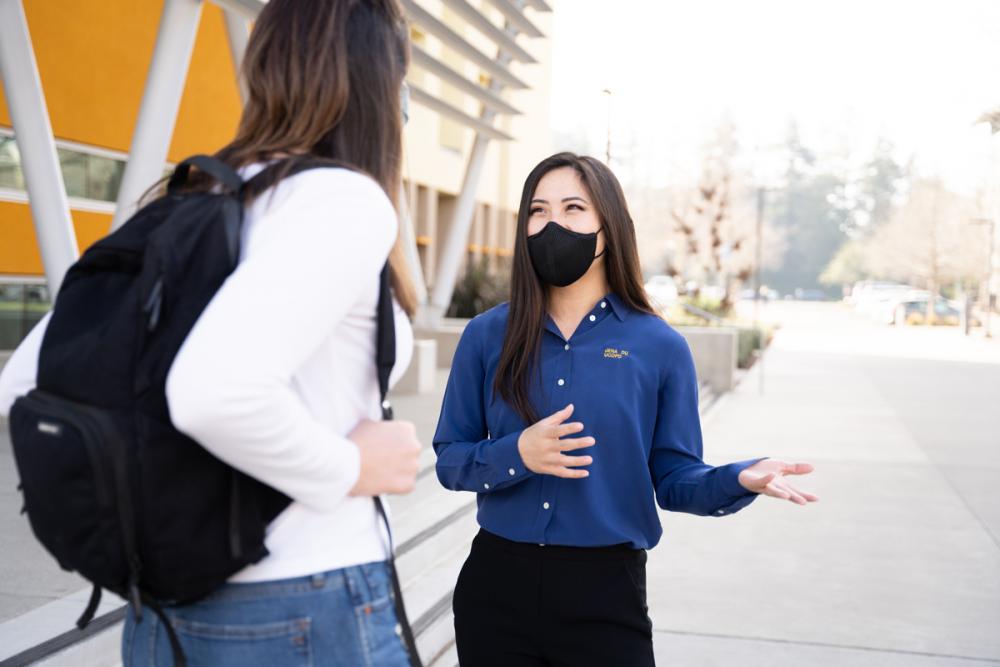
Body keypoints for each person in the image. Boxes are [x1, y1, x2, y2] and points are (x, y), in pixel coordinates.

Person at [0, 1, 422, 664]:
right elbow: (210, 390)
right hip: (301, 605)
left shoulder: (192, 198)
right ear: (377, 81)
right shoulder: (342, 201)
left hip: (165, 613)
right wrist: (353, 465)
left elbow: (25, 379)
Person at [433, 152, 817, 667]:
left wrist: (738, 478)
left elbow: (676, 478)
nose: (554, 225)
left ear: (608, 229)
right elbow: (450, 460)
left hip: (605, 594)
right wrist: (517, 453)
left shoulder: (658, 345)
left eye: (574, 209)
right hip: (496, 588)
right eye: (538, 211)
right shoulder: (487, 335)